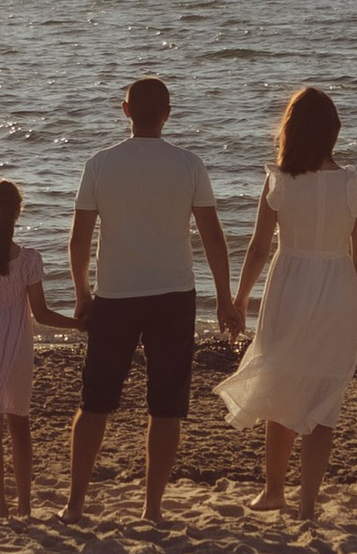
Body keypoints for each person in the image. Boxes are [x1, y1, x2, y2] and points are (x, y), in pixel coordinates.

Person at [65, 77, 240, 524]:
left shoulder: (100, 164)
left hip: (116, 295)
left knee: (95, 402)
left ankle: (75, 505)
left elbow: (79, 237)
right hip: (172, 296)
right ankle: (153, 509)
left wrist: (82, 293)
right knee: (166, 405)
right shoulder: (189, 164)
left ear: (125, 110)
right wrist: (226, 298)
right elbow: (213, 237)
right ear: (168, 112)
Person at [216, 85, 357, 522]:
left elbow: (256, 249)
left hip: (289, 285)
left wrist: (239, 299)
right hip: (337, 290)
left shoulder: (278, 180)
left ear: (289, 131)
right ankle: (307, 504)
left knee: (280, 383)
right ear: (334, 132)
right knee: (324, 397)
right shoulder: (353, 183)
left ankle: (274, 491)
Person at [0, 179, 82, 518]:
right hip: (17, 344)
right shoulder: (27, 260)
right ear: (17, 213)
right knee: (19, 423)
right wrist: (79, 324)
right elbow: (41, 313)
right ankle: (25, 507)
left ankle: (0, 508)